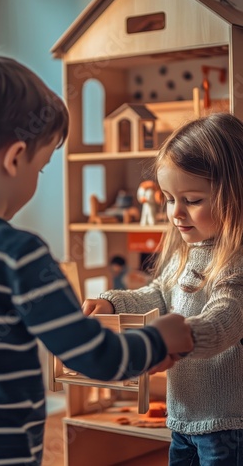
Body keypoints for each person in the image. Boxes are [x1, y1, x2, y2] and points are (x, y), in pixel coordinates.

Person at [0, 50, 193, 466]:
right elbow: (93, 356)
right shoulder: (19, 256)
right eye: (43, 167)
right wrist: (160, 338)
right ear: (15, 158)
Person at [83, 112, 243, 466]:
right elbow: (157, 294)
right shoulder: (186, 252)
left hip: (226, 424)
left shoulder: (234, 260)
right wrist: (111, 303)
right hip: (182, 415)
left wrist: (181, 335)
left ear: (235, 194)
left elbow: (225, 321)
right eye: (169, 198)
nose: (175, 213)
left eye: (192, 200)